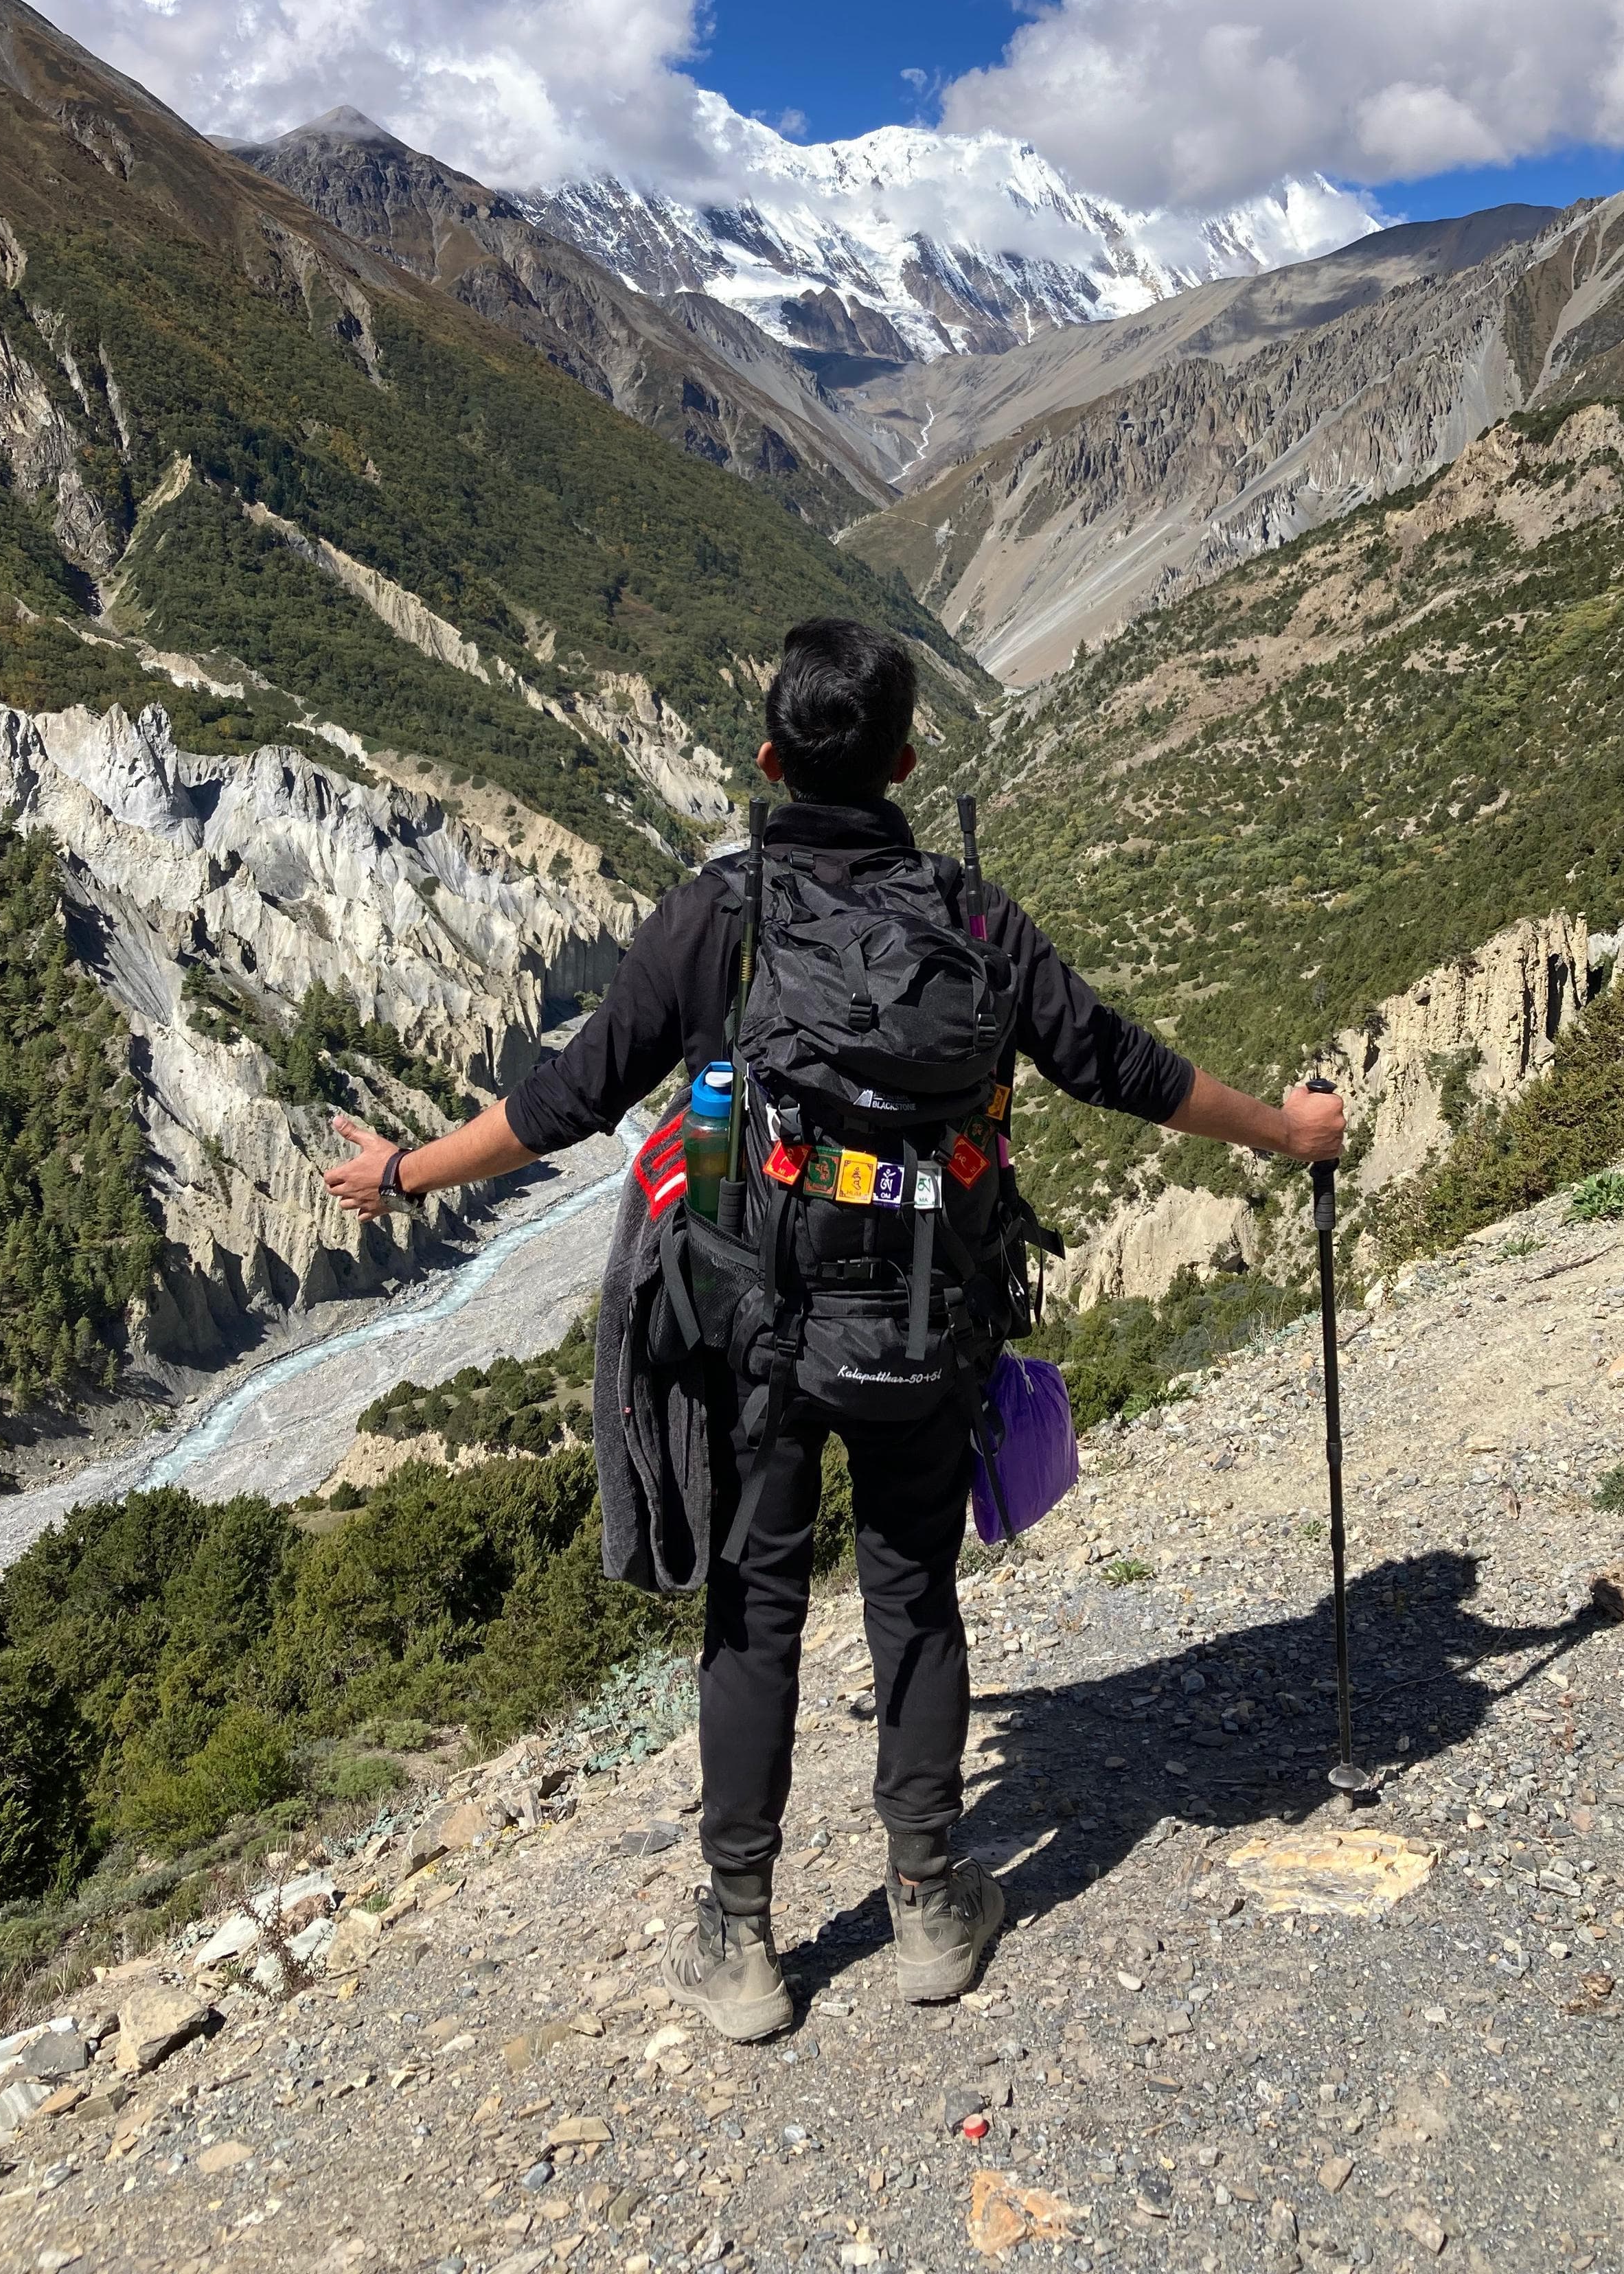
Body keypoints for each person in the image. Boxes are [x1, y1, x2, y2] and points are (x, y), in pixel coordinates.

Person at [325, 616, 1345, 2038]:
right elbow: (1124, 1065)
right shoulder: (977, 923)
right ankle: (930, 1902)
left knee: (755, 1617)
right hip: (930, 1324)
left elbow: (567, 1100)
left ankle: (742, 1940)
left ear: (767, 760)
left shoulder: (713, 921)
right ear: (907, 762)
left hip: (756, 1329)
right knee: (912, 1596)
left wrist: (398, 1173)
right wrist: (1282, 1132)